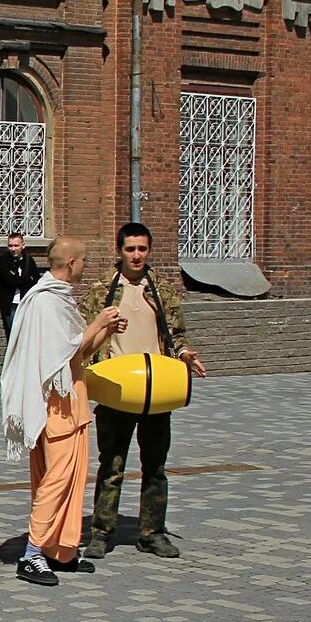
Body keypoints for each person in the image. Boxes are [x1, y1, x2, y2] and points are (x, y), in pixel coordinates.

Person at [80, 222, 208, 560]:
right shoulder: (101, 291)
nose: (137, 255)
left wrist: (184, 354)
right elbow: (82, 337)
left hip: (156, 390)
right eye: (130, 249)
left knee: (155, 466)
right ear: (119, 251)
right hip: (117, 389)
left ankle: (152, 533)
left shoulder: (162, 290)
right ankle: (101, 532)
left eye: (142, 249)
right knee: (112, 466)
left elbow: (175, 335)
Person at [1, 237, 125, 585]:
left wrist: (105, 330)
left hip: (71, 401)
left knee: (70, 482)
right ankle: (32, 554)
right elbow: (64, 351)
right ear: (70, 263)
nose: (87, 266)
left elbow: (76, 354)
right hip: (56, 408)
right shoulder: (47, 302)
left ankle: (61, 551)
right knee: (54, 482)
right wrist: (99, 321)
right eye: (84, 260)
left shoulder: (56, 299)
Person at [0, 231, 41, 340]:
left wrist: (24, 279)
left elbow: (36, 281)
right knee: (13, 335)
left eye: (16, 245)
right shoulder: (3, 260)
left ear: (23, 246)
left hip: (26, 302)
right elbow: (11, 280)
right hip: (10, 303)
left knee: (26, 335)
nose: (13, 249)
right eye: (10, 246)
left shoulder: (29, 260)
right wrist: (26, 278)